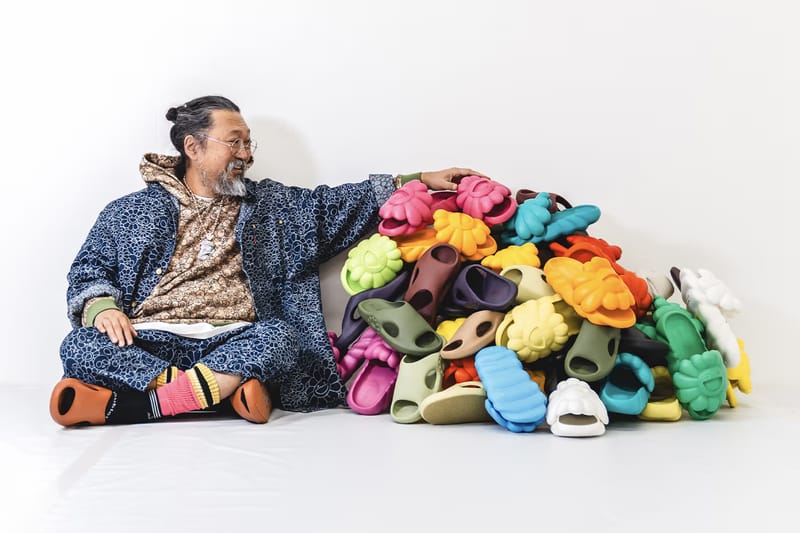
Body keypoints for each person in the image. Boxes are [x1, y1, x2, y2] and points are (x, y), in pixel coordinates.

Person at [50, 95, 481, 427]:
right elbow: (90, 269)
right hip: (148, 340)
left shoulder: (274, 206)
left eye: (248, 142)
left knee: (281, 337)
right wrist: (101, 308)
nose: (246, 153)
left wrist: (419, 180)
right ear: (193, 147)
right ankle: (218, 394)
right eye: (233, 141)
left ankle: (141, 405)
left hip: (233, 340)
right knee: (79, 346)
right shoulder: (128, 211)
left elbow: (337, 203)